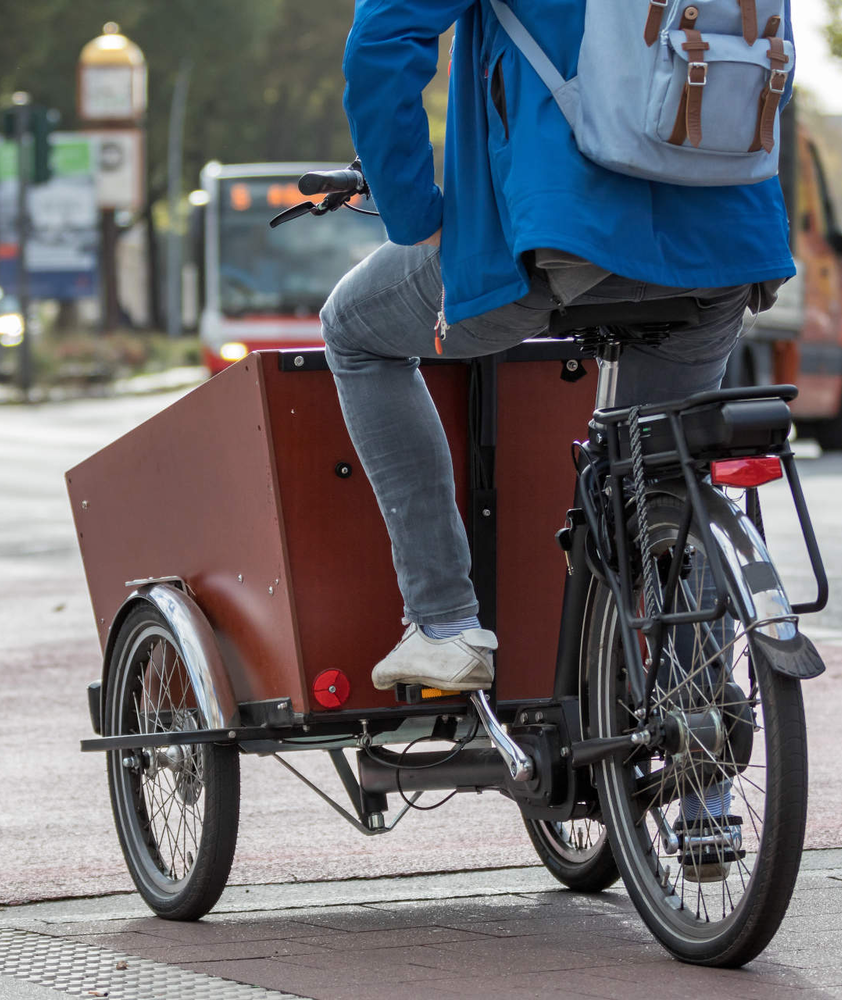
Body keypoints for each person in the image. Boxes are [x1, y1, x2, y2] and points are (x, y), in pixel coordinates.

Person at [320, 0, 795, 694]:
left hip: (562, 231)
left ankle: (443, 622)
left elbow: (383, 40)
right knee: (666, 472)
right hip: (729, 240)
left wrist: (415, 213)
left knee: (354, 330)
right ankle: (705, 774)